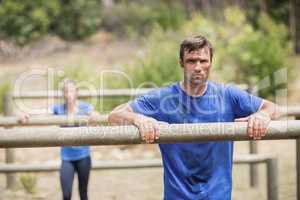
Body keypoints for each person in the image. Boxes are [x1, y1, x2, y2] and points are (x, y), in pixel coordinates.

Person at [108, 35, 280, 200]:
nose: (198, 67)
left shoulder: (228, 95)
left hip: (218, 196)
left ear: (211, 62)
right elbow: (114, 116)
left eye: (203, 61)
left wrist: (262, 115)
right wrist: (140, 119)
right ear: (181, 63)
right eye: (191, 61)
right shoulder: (163, 98)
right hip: (177, 197)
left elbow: (272, 107)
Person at [19, 79, 100, 200]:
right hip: (67, 158)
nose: (69, 94)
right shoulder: (59, 109)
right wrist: (28, 115)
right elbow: (43, 112)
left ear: (76, 92)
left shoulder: (84, 107)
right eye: (66, 91)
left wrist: (94, 116)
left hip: (83, 156)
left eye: (71, 91)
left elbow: (96, 115)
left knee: (83, 194)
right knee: (66, 195)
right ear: (63, 94)